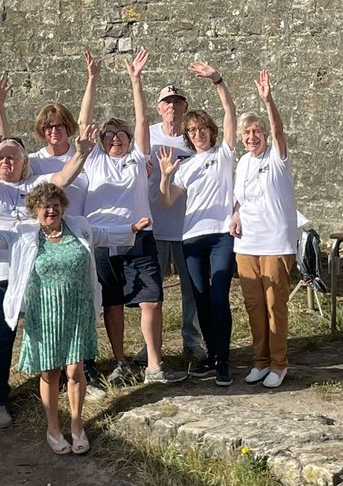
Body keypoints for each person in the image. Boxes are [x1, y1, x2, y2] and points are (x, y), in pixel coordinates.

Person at [0, 181, 148, 454]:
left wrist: (131, 229)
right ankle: (53, 427)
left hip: (78, 309)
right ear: (35, 210)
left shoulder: (79, 226)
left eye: (55, 205)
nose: (51, 210)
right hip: (44, 312)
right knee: (50, 371)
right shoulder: (24, 232)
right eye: (44, 206)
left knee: (75, 370)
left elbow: (102, 234)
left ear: (62, 206)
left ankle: (77, 425)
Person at [80, 48, 186, 388]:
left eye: (120, 135)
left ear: (129, 140)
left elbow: (143, 121)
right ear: (101, 141)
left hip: (140, 236)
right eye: (109, 136)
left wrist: (136, 81)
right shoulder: (94, 160)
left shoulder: (139, 159)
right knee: (112, 304)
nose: (115, 139)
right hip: (102, 240)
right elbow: (84, 124)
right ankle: (121, 362)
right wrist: (92, 80)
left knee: (152, 300)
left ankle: (154, 365)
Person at [0, 125, 90, 426]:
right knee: (1, 338)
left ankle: (67, 380)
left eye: (13, 158)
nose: (6, 162)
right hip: (0, 275)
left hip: (39, 274)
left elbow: (63, 178)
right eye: (1, 158)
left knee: (56, 331)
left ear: (26, 162)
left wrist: (82, 151)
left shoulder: (37, 184)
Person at [157, 62, 236, 387]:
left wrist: (217, 79)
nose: (198, 134)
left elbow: (230, 111)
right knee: (201, 299)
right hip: (192, 239)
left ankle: (224, 362)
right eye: (192, 131)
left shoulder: (225, 153)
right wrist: (164, 177)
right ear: (188, 137)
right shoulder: (186, 167)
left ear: (211, 131)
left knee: (219, 297)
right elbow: (167, 201)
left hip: (220, 236)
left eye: (202, 128)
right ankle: (210, 355)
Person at [229, 70, 299, 389]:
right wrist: (235, 214)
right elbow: (240, 199)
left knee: (274, 304)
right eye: (247, 133)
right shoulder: (243, 162)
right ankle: (260, 361)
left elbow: (279, 129)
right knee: (254, 305)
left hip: (275, 243)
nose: (252, 137)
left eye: (256, 131)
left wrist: (268, 100)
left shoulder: (277, 156)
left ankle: (278, 363)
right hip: (247, 244)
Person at [142, 81, 204, 366]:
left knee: (191, 289)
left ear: (185, 107)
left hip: (187, 226)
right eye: (167, 102)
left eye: (177, 101)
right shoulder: (148, 136)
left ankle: (192, 342)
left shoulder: (194, 139)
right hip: (154, 225)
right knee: (152, 293)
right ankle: (151, 347)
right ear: (159, 108)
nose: (172, 106)